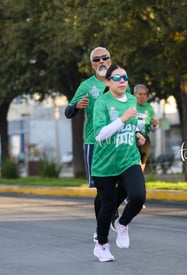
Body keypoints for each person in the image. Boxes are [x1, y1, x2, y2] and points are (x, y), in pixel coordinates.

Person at [64, 47, 126, 242]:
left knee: (125, 182)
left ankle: (112, 211)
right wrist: (76, 106)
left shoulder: (120, 81)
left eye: (105, 58)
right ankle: (101, 228)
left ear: (110, 60)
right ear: (92, 65)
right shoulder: (86, 86)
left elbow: (130, 107)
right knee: (102, 189)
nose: (101, 61)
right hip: (95, 143)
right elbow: (68, 111)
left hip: (119, 142)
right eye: (97, 59)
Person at [91, 64, 146, 262]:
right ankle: (102, 245)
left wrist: (138, 133)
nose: (122, 81)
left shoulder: (131, 98)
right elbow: (99, 134)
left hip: (128, 159)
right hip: (104, 165)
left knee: (138, 196)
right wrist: (122, 119)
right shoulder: (102, 103)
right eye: (116, 78)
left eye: (125, 77)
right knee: (108, 206)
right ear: (107, 82)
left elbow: (132, 124)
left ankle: (122, 223)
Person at [133, 84, 158, 172]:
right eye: (140, 94)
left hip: (145, 138)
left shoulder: (149, 108)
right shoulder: (130, 105)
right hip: (132, 137)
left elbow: (152, 129)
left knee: (142, 162)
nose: (142, 96)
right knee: (134, 161)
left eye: (144, 94)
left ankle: (139, 179)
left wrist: (154, 125)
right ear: (134, 94)